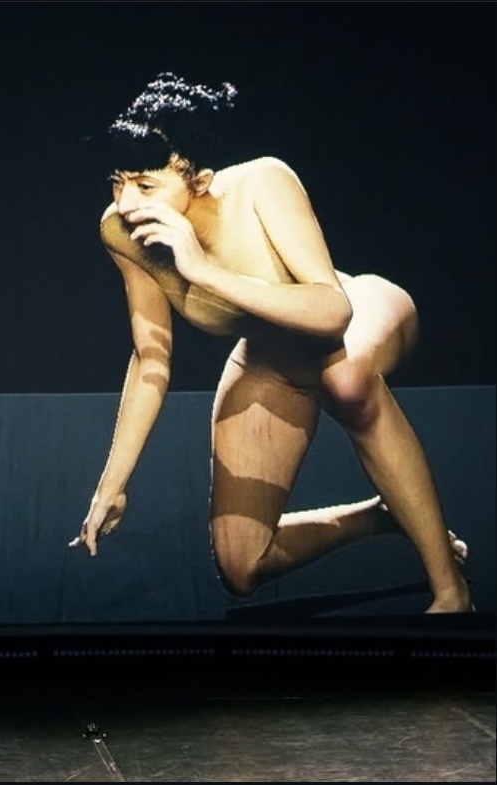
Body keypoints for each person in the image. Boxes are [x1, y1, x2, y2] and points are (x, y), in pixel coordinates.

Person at [69, 72, 471, 614]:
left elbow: (333, 312)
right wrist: (112, 485)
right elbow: (151, 357)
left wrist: (203, 271)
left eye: (145, 186)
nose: (126, 203)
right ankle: (382, 513)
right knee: (241, 567)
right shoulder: (121, 232)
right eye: (117, 182)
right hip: (270, 357)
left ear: (199, 180)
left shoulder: (263, 183)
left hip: (359, 311)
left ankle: (451, 591)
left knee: (346, 380)